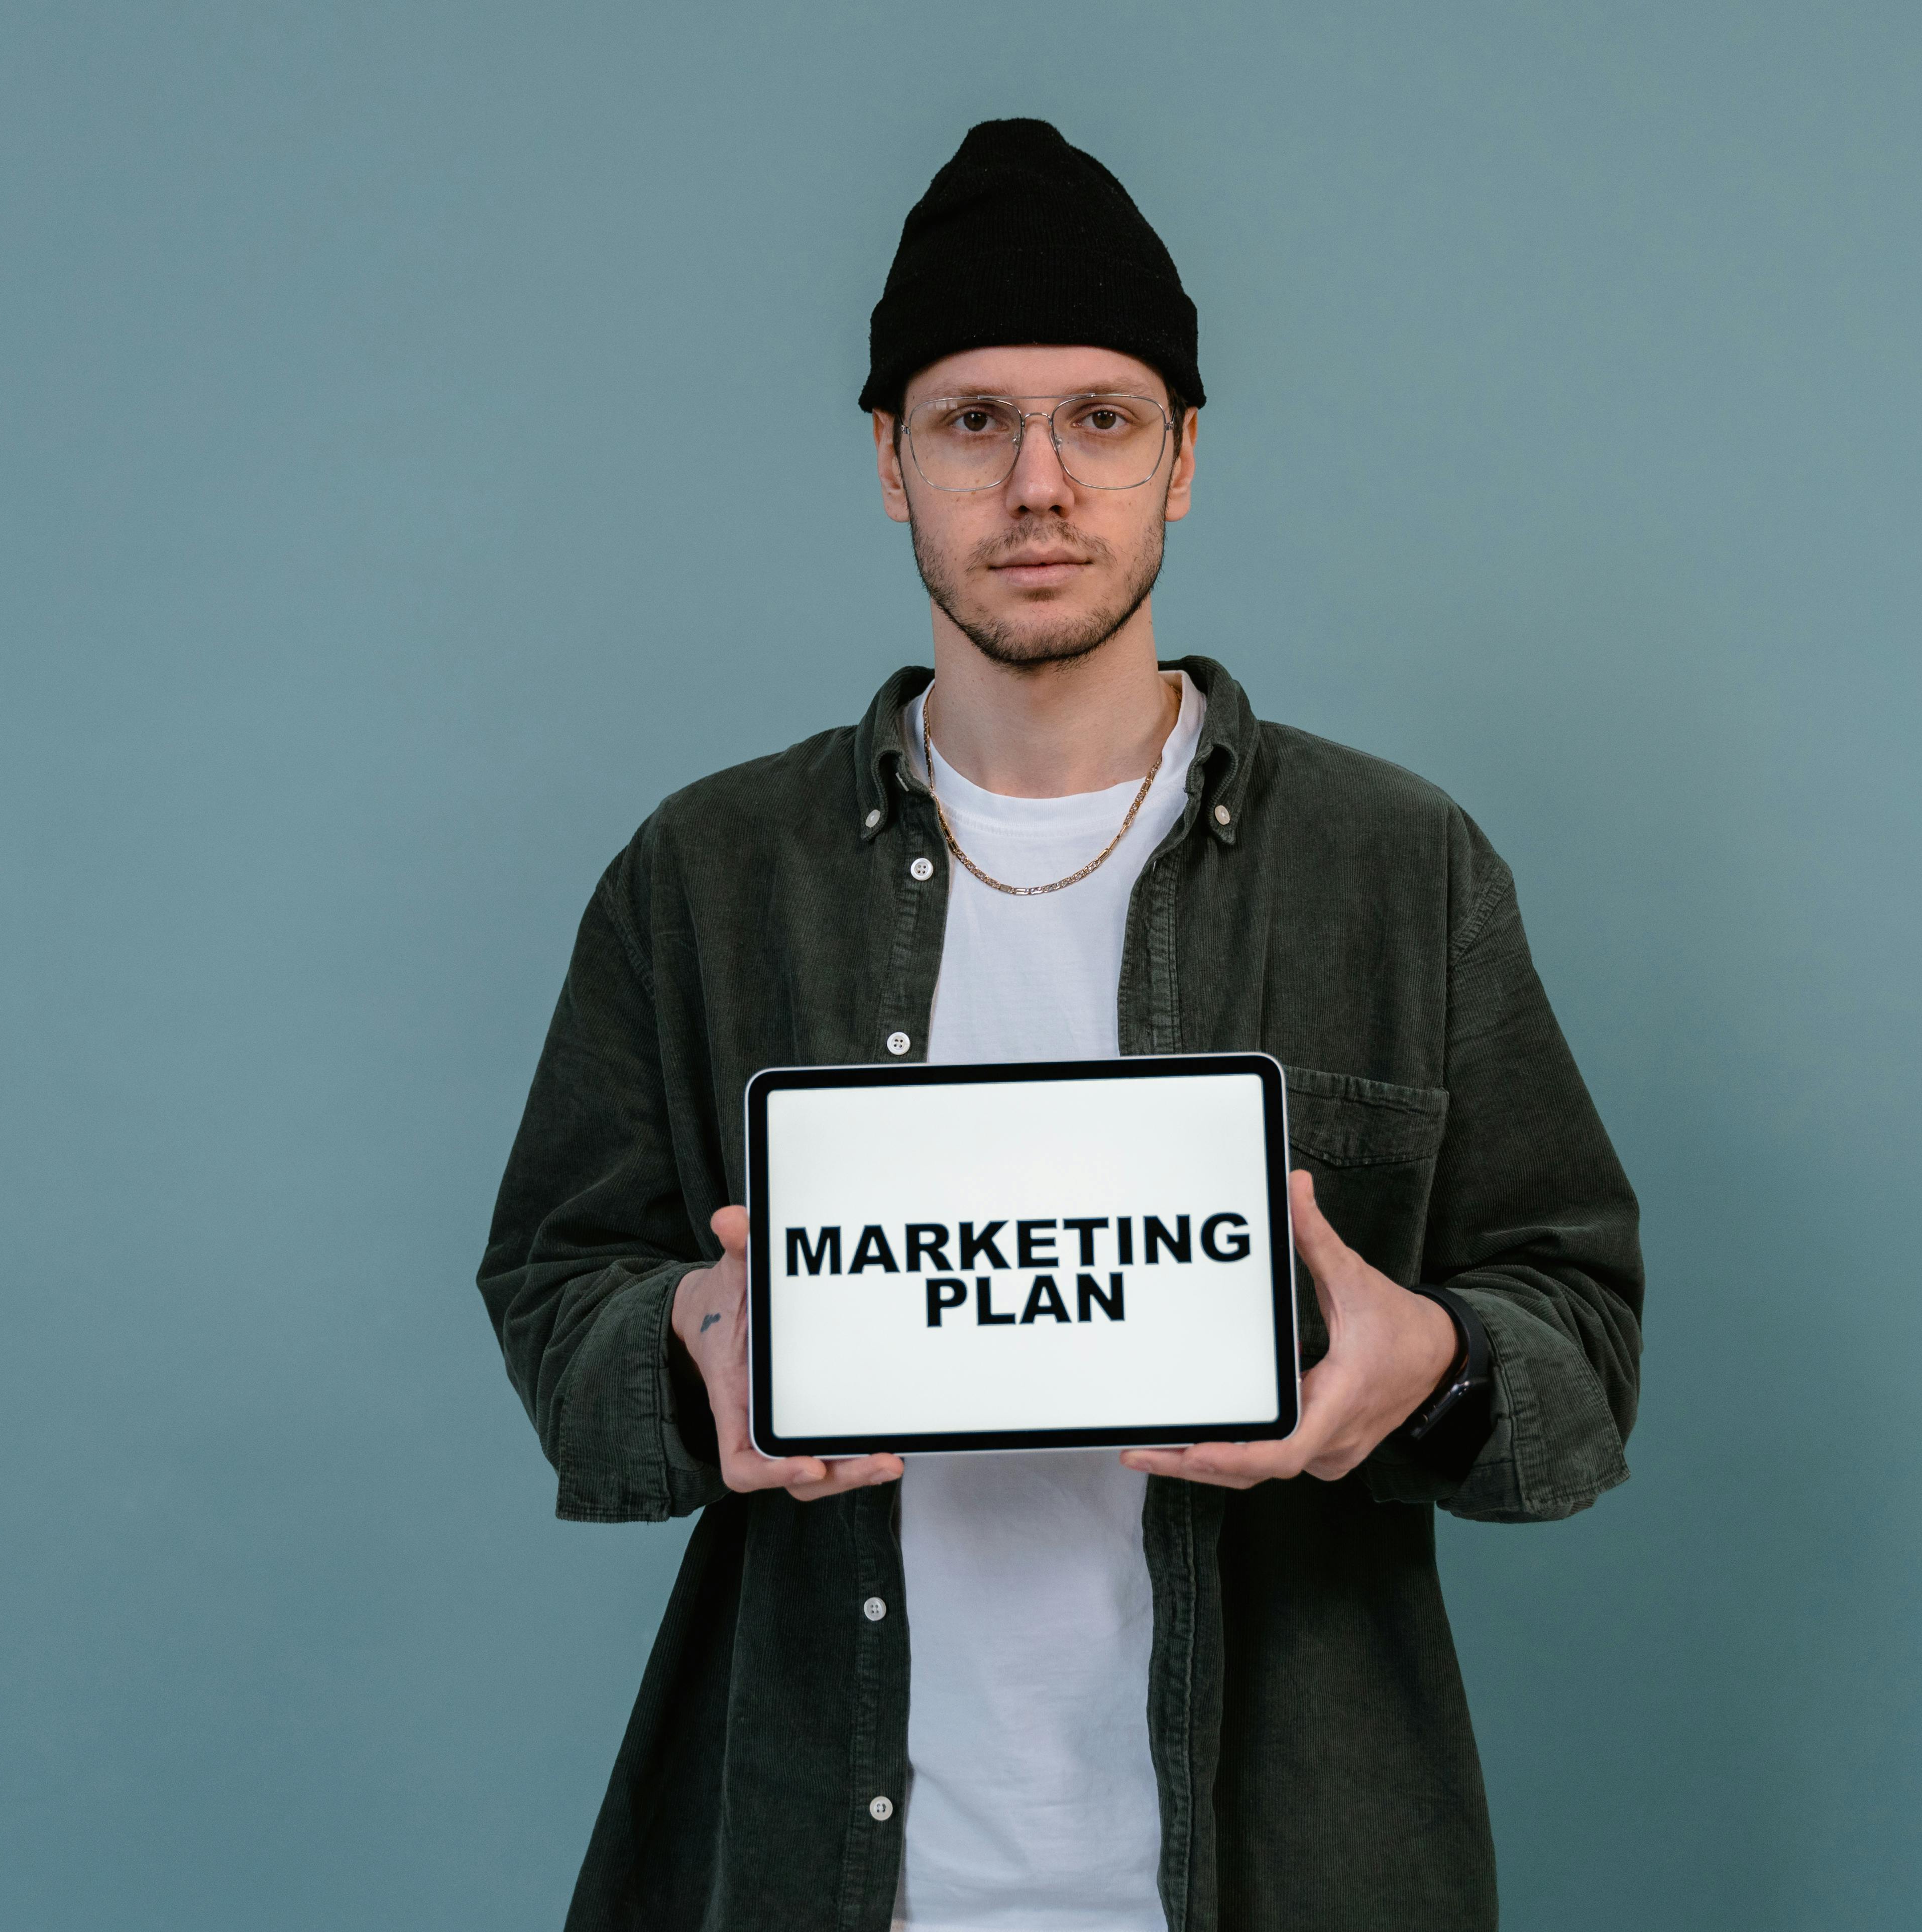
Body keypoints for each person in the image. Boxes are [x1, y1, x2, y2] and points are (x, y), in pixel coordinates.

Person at [479, 119, 1643, 1932]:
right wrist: (688, 1333)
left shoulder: (1398, 867)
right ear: (890, 461)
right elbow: (558, 1280)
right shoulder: (707, 872)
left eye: (1100, 419)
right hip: (811, 1862)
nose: (1038, 484)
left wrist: (1430, 1362)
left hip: (1296, 1865)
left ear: (1182, 459)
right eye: (972, 422)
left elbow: (1576, 1323)